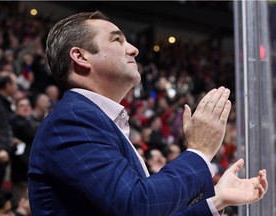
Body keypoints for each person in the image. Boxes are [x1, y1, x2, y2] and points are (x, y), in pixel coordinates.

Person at [28, 11, 268, 215]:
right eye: (116, 41)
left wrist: (217, 201)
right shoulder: (73, 121)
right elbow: (136, 206)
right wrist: (199, 152)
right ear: (80, 57)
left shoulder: (93, 120)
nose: (133, 49)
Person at [0, 71, 18, 191]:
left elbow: (2, 127)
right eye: (15, 83)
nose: (17, 86)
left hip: (1, 156)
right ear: (7, 85)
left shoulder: (4, 102)